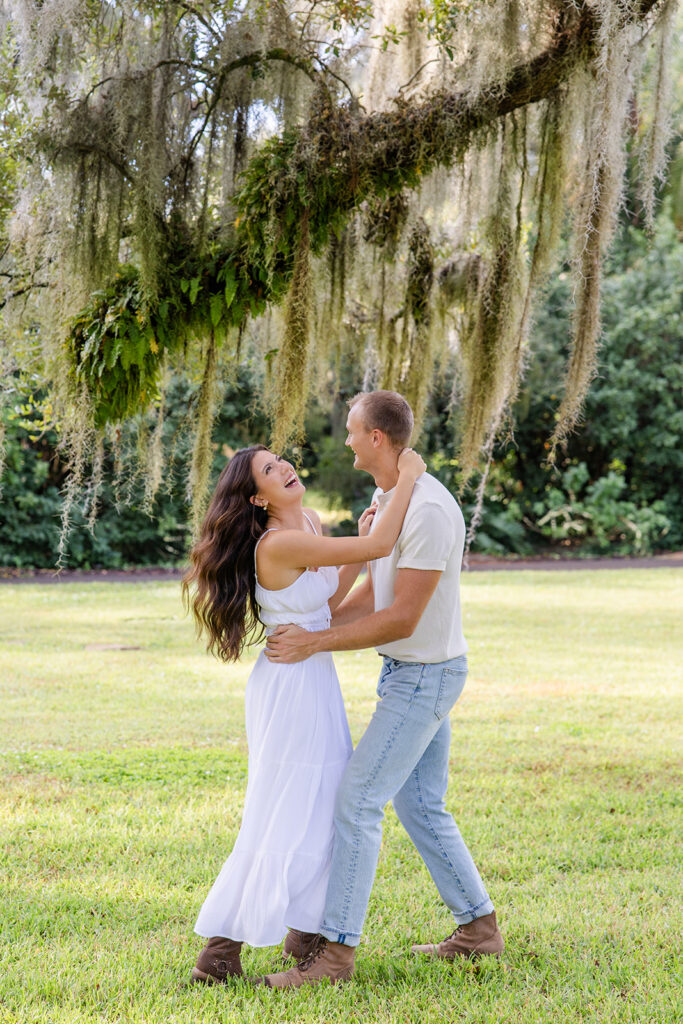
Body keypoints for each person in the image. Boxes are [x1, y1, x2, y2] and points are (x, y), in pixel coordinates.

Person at [261, 390, 503, 989]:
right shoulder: (389, 497)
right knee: (419, 804)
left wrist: (314, 644)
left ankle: (335, 957)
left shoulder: (428, 511)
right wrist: (310, 631)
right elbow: (376, 589)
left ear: (377, 439)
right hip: (407, 672)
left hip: (425, 676)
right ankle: (479, 931)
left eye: (351, 430)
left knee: (357, 799)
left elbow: (403, 619)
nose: (345, 439)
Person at [182, 441, 426, 984]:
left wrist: (362, 541)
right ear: (256, 497)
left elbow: (326, 601)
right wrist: (404, 477)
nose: (285, 467)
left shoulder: (310, 525)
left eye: (281, 459)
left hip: (314, 675)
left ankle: (306, 932)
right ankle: (218, 955)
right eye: (270, 470)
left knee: (323, 804)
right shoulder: (278, 543)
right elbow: (384, 543)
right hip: (289, 685)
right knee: (283, 809)